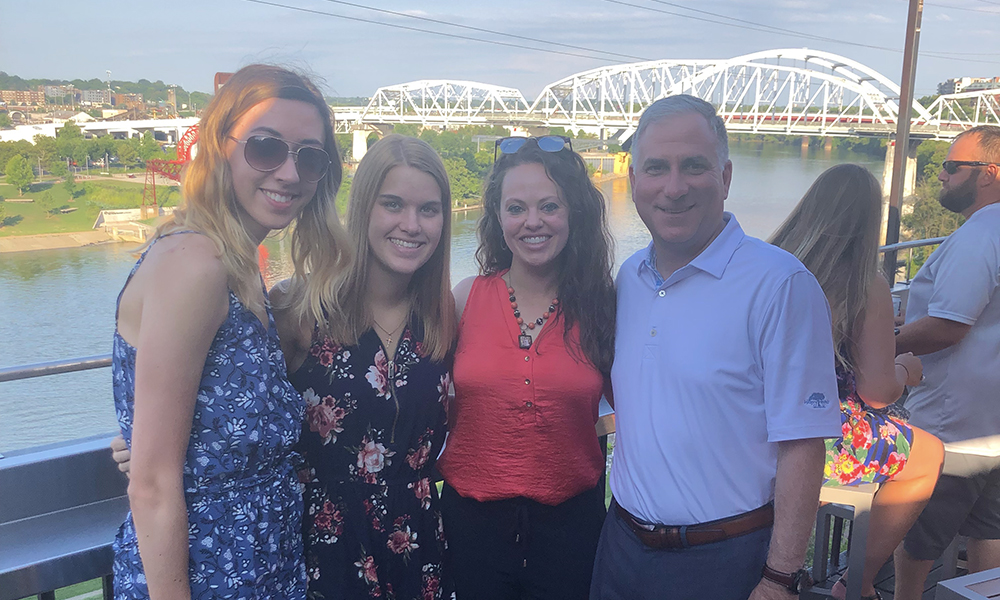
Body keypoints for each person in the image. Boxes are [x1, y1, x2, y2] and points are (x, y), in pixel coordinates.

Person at [590, 95, 842, 600]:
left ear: (725, 177)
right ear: (634, 179)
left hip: (726, 559)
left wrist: (779, 578)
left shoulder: (780, 285)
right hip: (619, 546)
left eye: (694, 167)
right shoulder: (629, 278)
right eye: (656, 168)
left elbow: (803, 443)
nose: (674, 187)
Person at [111, 64, 347, 600]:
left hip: (261, 572)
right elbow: (151, 484)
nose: (289, 172)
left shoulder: (235, 267)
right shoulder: (197, 262)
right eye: (266, 148)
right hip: (206, 578)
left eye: (309, 157)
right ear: (219, 147)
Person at [273, 134, 455, 600]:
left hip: (416, 541)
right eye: (392, 204)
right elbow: (239, 398)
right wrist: (153, 438)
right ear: (363, 210)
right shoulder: (301, 308)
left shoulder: (442, 316)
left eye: (428, 210)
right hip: (325, 541)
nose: (411, 225)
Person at [437, 135, 616, 599]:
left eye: (549, 206)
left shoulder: (603, 309)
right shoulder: (464, 298)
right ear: (498, 218)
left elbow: (641, 408)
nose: (532, 222)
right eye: (516, 208)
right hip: (472, 528)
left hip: (571, 529)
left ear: (573, 212)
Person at [769, 164, 944, 600]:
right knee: (927, 454)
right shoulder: (865, 285)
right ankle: (857, 582)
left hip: (757, 423)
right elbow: (876, 392)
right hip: (816, 434)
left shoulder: (768, 265)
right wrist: (907, 369)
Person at [892, 125, 1000, 600]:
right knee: (989, 530)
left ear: (989, 174)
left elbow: (948, 325)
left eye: (954, 166)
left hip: (954, 424)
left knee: (916, 533)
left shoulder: (980, 237)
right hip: (991, 418)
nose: (941, 174)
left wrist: (882, 342)